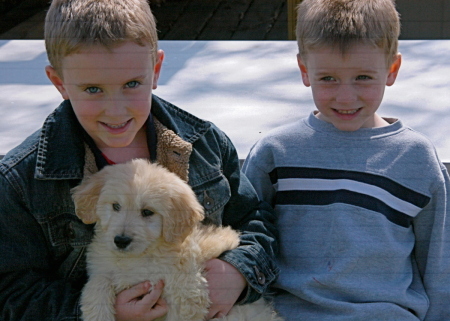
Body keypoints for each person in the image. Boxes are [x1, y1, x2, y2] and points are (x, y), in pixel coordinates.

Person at [0, 0, 279, 320]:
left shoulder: (206, 144)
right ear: (59, 83)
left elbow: (255, 220)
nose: (116, 110)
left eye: (131, 84)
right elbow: (10, 290)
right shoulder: (20, 180)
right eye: (93, 89)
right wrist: (97, 311)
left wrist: (238, 271)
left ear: (156, 70)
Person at [242, 0, 450, 320]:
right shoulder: (274, 153)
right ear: (304, 71)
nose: (345, 97)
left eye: (363, 77)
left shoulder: (416, 158)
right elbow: (245, 242)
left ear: (392, 70)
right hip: (286, 314)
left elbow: (439, 264)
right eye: (328, 79)